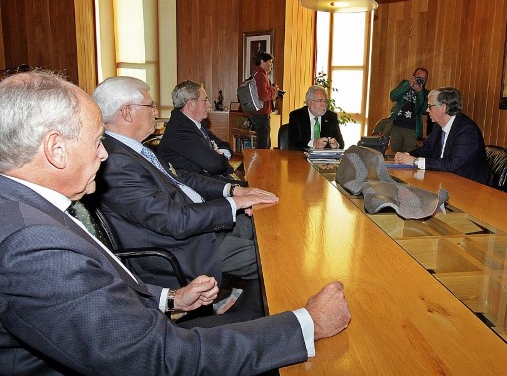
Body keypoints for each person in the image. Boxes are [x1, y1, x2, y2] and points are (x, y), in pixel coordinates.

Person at [0, 70, 351, 374]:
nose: (104, 153)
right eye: (95, 142)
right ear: (55, 149)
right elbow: (159, 358)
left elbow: (94, 292)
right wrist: (307, 325)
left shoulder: (23, 206)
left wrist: (169, 298)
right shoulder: (32, 244)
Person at [92, 76, 270, 289]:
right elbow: (174, 220)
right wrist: (234, 204)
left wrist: (232, 190)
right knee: (270, 256)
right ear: (127, 113)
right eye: (150, 106)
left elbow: (181, 177)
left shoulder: (134, 148)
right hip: (184, 249)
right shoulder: (116, 162)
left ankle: (247, 303)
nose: (156, 112)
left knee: (265, 224)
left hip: (198, 223)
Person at [394, 87, 491, 184]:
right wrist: (407, 155)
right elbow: (426, 150)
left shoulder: (467, 130)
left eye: (429, 106)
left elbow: (451, 164)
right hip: (444, 180)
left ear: (443, 108)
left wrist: (415, 161)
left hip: (470, 185)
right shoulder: (438, 126)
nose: (427, 110)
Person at [158, 80, 236, 182]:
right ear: (191, 104)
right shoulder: (180, 130)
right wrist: (216, 154)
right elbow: (215, 164)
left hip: (213, 180)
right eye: (205, 100)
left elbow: (224, 145)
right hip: (202, 187)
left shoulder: (197, 124)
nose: (209, 104)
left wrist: (219, 153)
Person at [388, 67, 432, 152]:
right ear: (413, 77)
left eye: (424, 79)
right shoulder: (405, 83)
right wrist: (408, 86)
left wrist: (419, 92)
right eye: (419, 78)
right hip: (396, 126)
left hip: (412, 129)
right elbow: (393, 96)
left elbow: (423, 110)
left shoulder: (425, 93)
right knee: (393, 154)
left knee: (408, 156)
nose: (421, 80)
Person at [288, 85, 345, 150]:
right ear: (310, 103)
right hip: (302, 157)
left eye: (325, 101)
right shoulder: (296, 116)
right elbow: (293, 144)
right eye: (320, 101)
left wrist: (336, 145)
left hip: (324, 158)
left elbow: (341, 144)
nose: (324, 105)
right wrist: (313, 144)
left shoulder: (331, 117)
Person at [250, 52, 279, 149]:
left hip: (259, 114)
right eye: (270, 62)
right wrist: (273, 90)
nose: (271, 65)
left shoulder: (258, 74)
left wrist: (271, 90)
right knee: (263, 145)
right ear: (262, 61)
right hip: (261, 114)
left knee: (265, 143)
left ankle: (261, 163)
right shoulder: (261, 75)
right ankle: (259, 164)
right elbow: (263, 95)